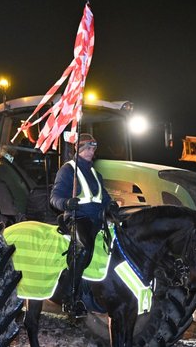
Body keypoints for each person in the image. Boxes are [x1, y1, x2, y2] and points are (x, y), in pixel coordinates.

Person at [50, 132, 118, 318]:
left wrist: (111, 205)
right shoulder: (67, 170)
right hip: (78, 218)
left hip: (97, 220)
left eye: (93, 148)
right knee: (84, 249)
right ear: (78, 149)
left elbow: (103, 197)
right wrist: (65, 204)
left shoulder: (96, 174)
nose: (91, 151)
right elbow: (54, 198)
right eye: (87, 147)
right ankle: (69, 296)